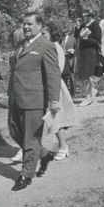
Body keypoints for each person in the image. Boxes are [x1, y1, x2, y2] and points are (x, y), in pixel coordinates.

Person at [7, 12, 60, 191]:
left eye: (29, 24)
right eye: (24, 24)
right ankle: (44, 155)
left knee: (30, 139)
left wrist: (54, 101)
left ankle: (26, 175)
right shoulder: (21, 45)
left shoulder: (46, 46)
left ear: (39, 25)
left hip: (34, 100)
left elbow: (53, 75)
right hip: (16, 97)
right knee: (14, 131)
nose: (26, 27)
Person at [40, 26, 76, 165]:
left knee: (53, 117)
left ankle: (63, 145)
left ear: (51, 34)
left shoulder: (55, 47)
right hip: (41, 86)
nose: (41, 36)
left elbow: (57, 69)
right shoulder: (43, 46)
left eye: (44, 34)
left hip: (52, 86)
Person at [73, 10, 102, 106]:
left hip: (90, 53)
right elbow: (76, 36)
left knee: (87, 75)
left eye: (86, 14)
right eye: (83, 13)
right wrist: (78, 26)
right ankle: (91, 92)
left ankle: (88, 97)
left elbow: (98, 41)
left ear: (91, 15)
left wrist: (87, 40)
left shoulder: (95, 25)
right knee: (81, 74)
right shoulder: (83, 25)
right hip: (81, 52)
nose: (83, 15)